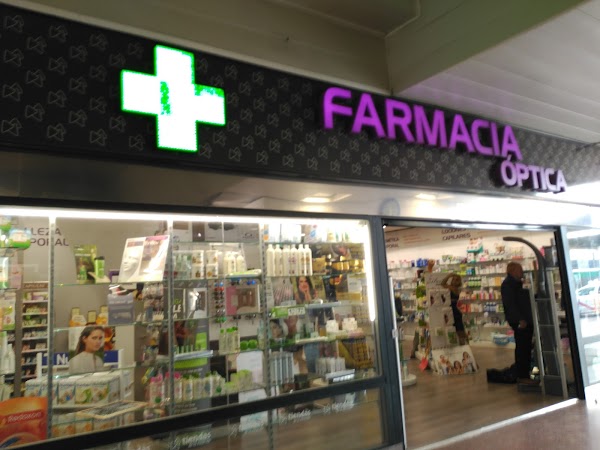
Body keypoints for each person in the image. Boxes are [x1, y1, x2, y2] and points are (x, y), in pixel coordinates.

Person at [501, 262, 537, 385]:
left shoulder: (518, 283)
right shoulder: (508, 285)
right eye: (520, 269)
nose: (522, 271)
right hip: (521, 321)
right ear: (513, 271)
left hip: (526, 319)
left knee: (526, 347)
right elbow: (510, 305)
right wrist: (519, 319)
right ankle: (522, 375)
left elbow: (525, 299)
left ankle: (525, 373)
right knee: (522, 347)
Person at [441, 273, 468, 345]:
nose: (454, 281)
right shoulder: (455, 288)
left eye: (456, 280)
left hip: (453, 310)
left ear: (459, 281)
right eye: (453, 279)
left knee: (459, 330)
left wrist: (449, 275)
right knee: (459, 329)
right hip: (453, 310)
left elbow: (443, 283)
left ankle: (464, 344)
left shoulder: (453, 288)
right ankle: (465, 344)